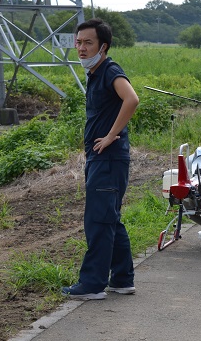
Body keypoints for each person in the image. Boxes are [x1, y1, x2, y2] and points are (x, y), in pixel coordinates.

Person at [62, 18, 139, 300]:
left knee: (98, 220)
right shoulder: (96, 72)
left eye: (88, 43)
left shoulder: (110, 70)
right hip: (102, 160)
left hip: (108, 159)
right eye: (78, 42)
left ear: (103, 46)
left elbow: (132, 99)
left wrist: (109, 136)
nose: (81, 48)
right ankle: (122, 279)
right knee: (110, 219)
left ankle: (93, 284)